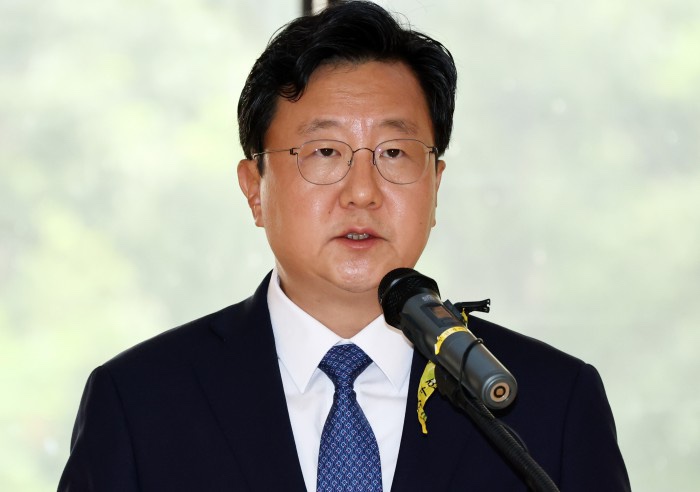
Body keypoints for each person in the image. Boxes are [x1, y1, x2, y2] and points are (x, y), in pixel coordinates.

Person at [58, 1, 630, 490]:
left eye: (394, 153)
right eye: (326, 152)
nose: (362, 192)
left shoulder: (551, 403)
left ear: (436, 187)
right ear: (255, 189)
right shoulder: (140, 403)